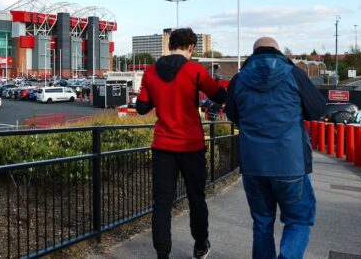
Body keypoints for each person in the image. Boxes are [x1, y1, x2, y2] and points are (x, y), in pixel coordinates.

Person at [225, 37, 325, 259]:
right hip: (291, 164)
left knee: (262, 223)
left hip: (253, 165)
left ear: (254, 53)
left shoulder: (239, 79)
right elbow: (317, 109)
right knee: (298, 220)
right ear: (278, 52)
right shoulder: (294, 74)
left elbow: (232, 114)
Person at [136, 28, 226, 259]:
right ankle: (200, 245)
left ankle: (163, 255)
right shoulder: (195, 71)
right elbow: (218, 96)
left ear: (169, 45)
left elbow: (142, 107)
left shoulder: (151, 72)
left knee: (162, 205)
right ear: (191, 47)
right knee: (196, 198)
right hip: (191, 146)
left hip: (163, 147)